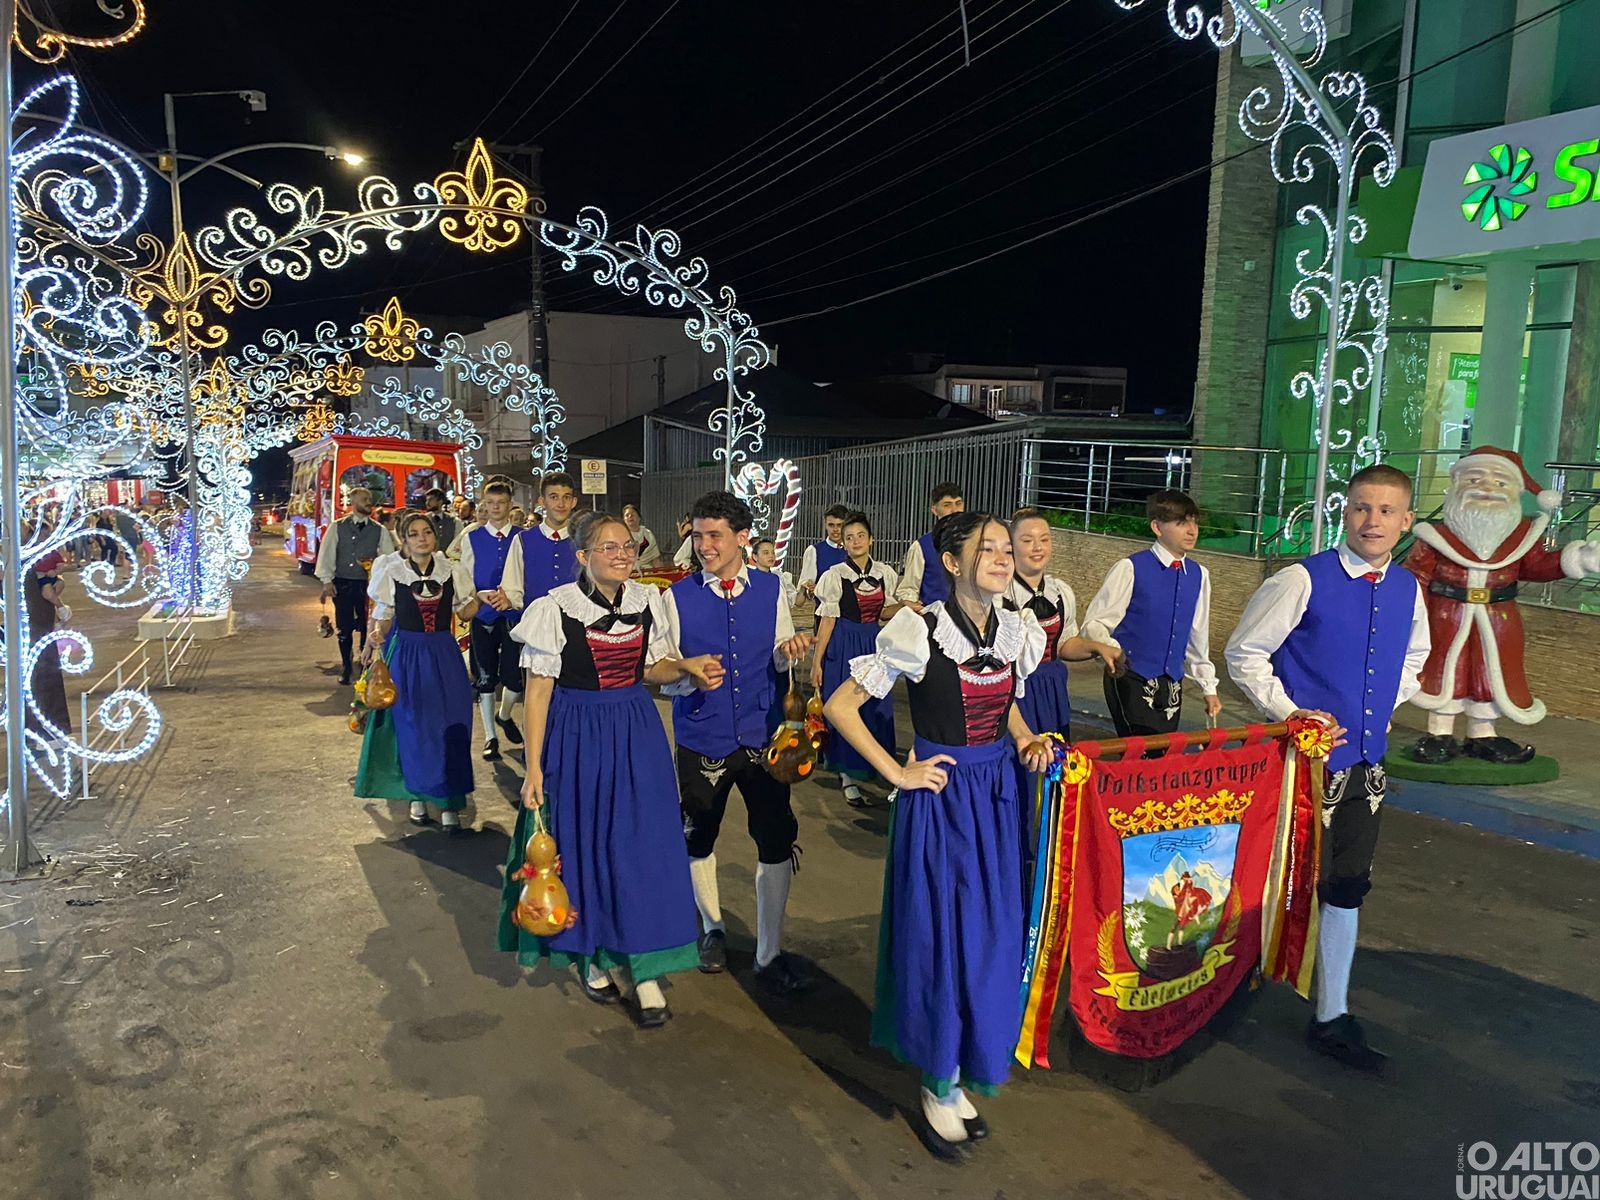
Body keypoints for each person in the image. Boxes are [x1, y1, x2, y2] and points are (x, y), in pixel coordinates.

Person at [824, 511, 1050, 1160]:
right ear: (952, 563)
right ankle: (937, 1080)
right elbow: (842, 706)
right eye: (990, 550)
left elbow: (1002, 696)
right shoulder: (918, 629)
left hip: (998, 798)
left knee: (989, 935)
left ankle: (961, 1065)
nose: (1005, 559)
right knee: (945, 937)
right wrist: (898, 769)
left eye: (1008, 549)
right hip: (944, 801)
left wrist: (1025, 737)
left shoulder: (1011, 629)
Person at [1224, 463, 1430, 1071]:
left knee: (1345, 889)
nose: (1373, 521)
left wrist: (1383, 708)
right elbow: (1245, 652)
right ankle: (1222, 987)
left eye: (1387, 511)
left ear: (1406, 521)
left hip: (1364, 770)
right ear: (1346, 511)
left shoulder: (1407, 589)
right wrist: (1294, 713)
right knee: (1268, 882)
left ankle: (1332, 1013)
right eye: (1363, 507)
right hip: (1298, 770)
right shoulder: (1300, 579)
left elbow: (1414, 658)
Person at [500, 511, 723, 1028]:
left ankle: (643, 966)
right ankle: (593, 954)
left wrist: (685, 666)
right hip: (576, 732)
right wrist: (533, 768)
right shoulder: (554, 609)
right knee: (584, 842)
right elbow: (538, 693)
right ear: (583, 557)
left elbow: (653, 668)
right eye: (609, 548)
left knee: (641, 844)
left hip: (636, 728)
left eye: (627, 546)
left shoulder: (649, 601)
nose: (623, 555)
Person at [655, 491, 814, 994]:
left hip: (764, 736)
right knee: (697, 835)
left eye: (713, 535)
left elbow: (781, 660)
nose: (702, 545)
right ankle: (712, 928)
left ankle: (769, 951)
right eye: (697, 535)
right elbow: (657, 672)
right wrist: (685, 672)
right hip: (702, 735)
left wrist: (790, 652)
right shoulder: (674, 598)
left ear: (742, 538)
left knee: (774, 838)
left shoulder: (772, 590)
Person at [356, 512, 480, 831]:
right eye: (414, 533)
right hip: (409, 656)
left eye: (427, 532)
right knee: (414, 729)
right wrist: (376, 634)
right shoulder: (392, 571)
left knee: (452, 726)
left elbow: (464, 610)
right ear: (404, 539)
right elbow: (384, 616)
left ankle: (449, 802)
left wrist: (483, 600)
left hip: (444, 654)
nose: (422, 537)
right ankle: (417, 796)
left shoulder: (452, 570)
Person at [1082, 489, 1222, 737]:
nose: (1192, 530)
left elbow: (1197, 637)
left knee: (1163, 754)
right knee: (1139, 753)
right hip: (1131, 677)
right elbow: (1096, 623)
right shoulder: (1131, 567)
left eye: (1194, 522)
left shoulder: (1200, 574)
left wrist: (1208, 687)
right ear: (1157, 527)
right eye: (1181, 523)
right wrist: (1112, 651)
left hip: (1172, 683)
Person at [809, 512, 900, 807]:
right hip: (844, 646)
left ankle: (877, 768)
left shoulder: (885, 573)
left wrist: (906, 609)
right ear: (843, 544)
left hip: (875, 645)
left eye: (861, 535)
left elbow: (884, 611)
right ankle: (847, 775)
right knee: (847, 710)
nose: (855, 541)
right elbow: (828, 620)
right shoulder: (835, 576)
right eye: (849, 538)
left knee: (876, 707)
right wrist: (817, 661)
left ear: (871, 539)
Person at [458, 480, 527, 760]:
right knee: (485, 677)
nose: (496, 508)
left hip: (514, 614)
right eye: (490, 503)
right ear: (483, 504)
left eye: (501, 503)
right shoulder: (471, 537)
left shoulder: (523, 537)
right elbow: (464, 577)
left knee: (515, 677)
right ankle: (490, 737)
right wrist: (477, 596)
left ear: (511, 505)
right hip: (484, 614)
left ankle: (504, 713)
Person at [315, 486, 396, 685]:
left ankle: (364, 665)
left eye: (369, 499)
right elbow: (326, 553)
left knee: (366, 624)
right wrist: (327, 581)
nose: (369, 502)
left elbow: (389, 558)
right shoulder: (337, 526)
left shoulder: (379, 530)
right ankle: (346, 665)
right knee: (344, 626)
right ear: (353, 502)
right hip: (342, 583)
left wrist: (377, 568)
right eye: (364, 499)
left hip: (368, 585)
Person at [894, 482, 966, 610]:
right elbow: (909, 589)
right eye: (947, 505)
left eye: (958, 503)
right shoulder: (921, 546)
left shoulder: (976, 543)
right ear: (934, 510)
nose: (954, 510)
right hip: (935, 619)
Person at [797, 504, 850, 600]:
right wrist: (809, 589)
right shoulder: (814, 551)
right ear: (825, 524)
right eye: (831, 525)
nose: (835, 530)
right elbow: (804, 593)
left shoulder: (855, 550)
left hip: (853, 614)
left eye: (839, 525)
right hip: (823, 612)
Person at [621, 504, 662, 570]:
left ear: (639, 518)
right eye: (627, 515)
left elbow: (655, 559)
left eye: (633, 514)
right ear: (623, 520)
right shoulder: (619, 535)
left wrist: (660, 573)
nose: (630, 516)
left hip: (647, 572)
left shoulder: (648, 534)